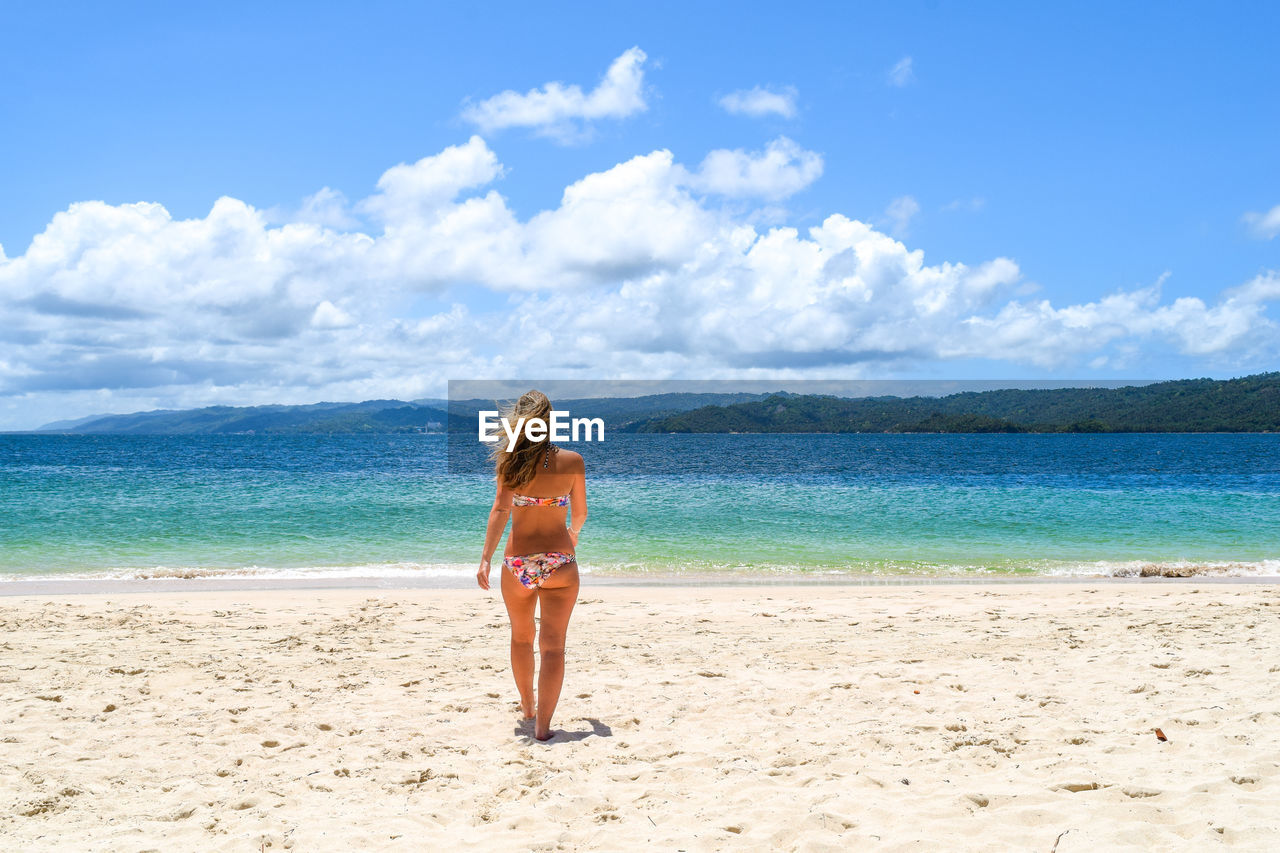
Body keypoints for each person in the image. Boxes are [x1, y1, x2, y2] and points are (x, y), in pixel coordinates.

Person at [476, 390, 587, 741]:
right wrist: (572, 532)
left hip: (518, 562)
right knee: (553, 646)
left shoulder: (510, 462)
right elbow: (581, 513)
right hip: (560, 561)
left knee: (522, 639)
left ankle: (527, 708)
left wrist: (485, 558)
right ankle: (543, 728)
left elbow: (500, 511)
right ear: (551, 421)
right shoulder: (572, 461)